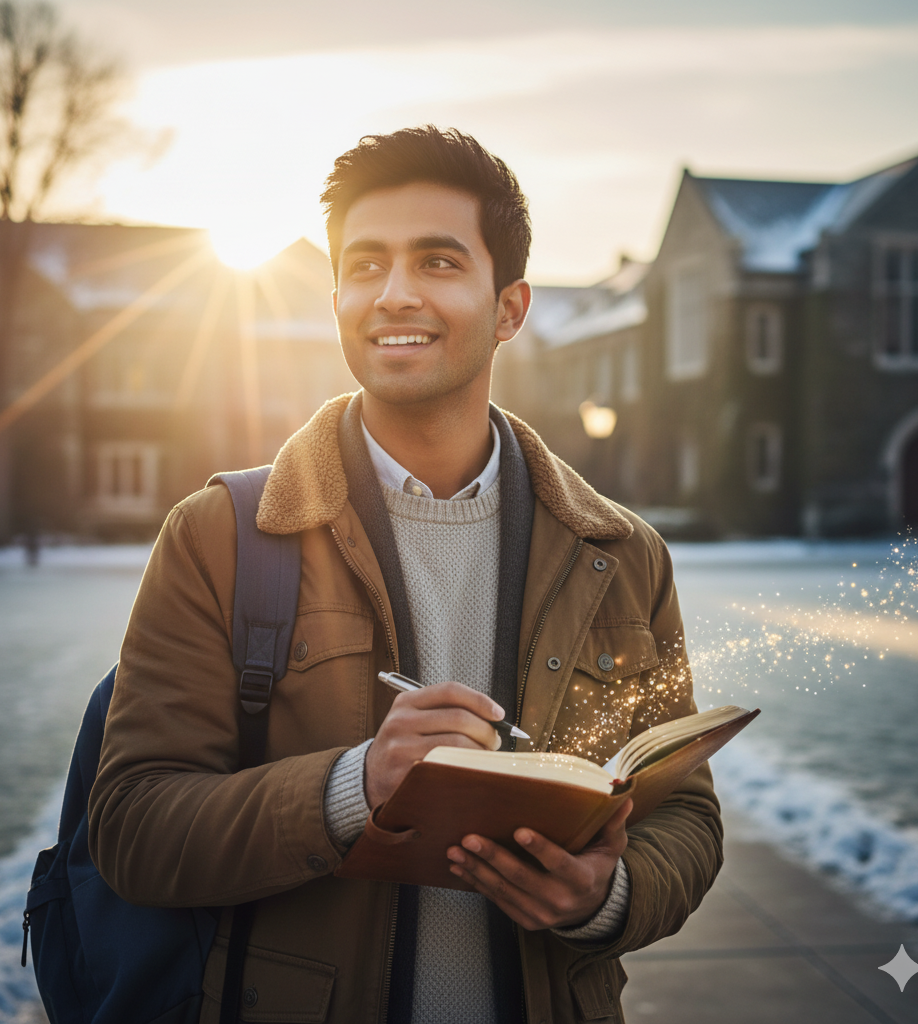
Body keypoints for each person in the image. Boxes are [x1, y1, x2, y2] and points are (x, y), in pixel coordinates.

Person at [88, 126, 722, 1024]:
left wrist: (602, 900)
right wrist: (355, 787)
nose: (394, 296)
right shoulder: (218, 537)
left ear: (510, 308)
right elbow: (132, 828)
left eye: (436, 262)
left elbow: (686, 821)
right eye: (366, 265)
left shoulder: (622, 556)